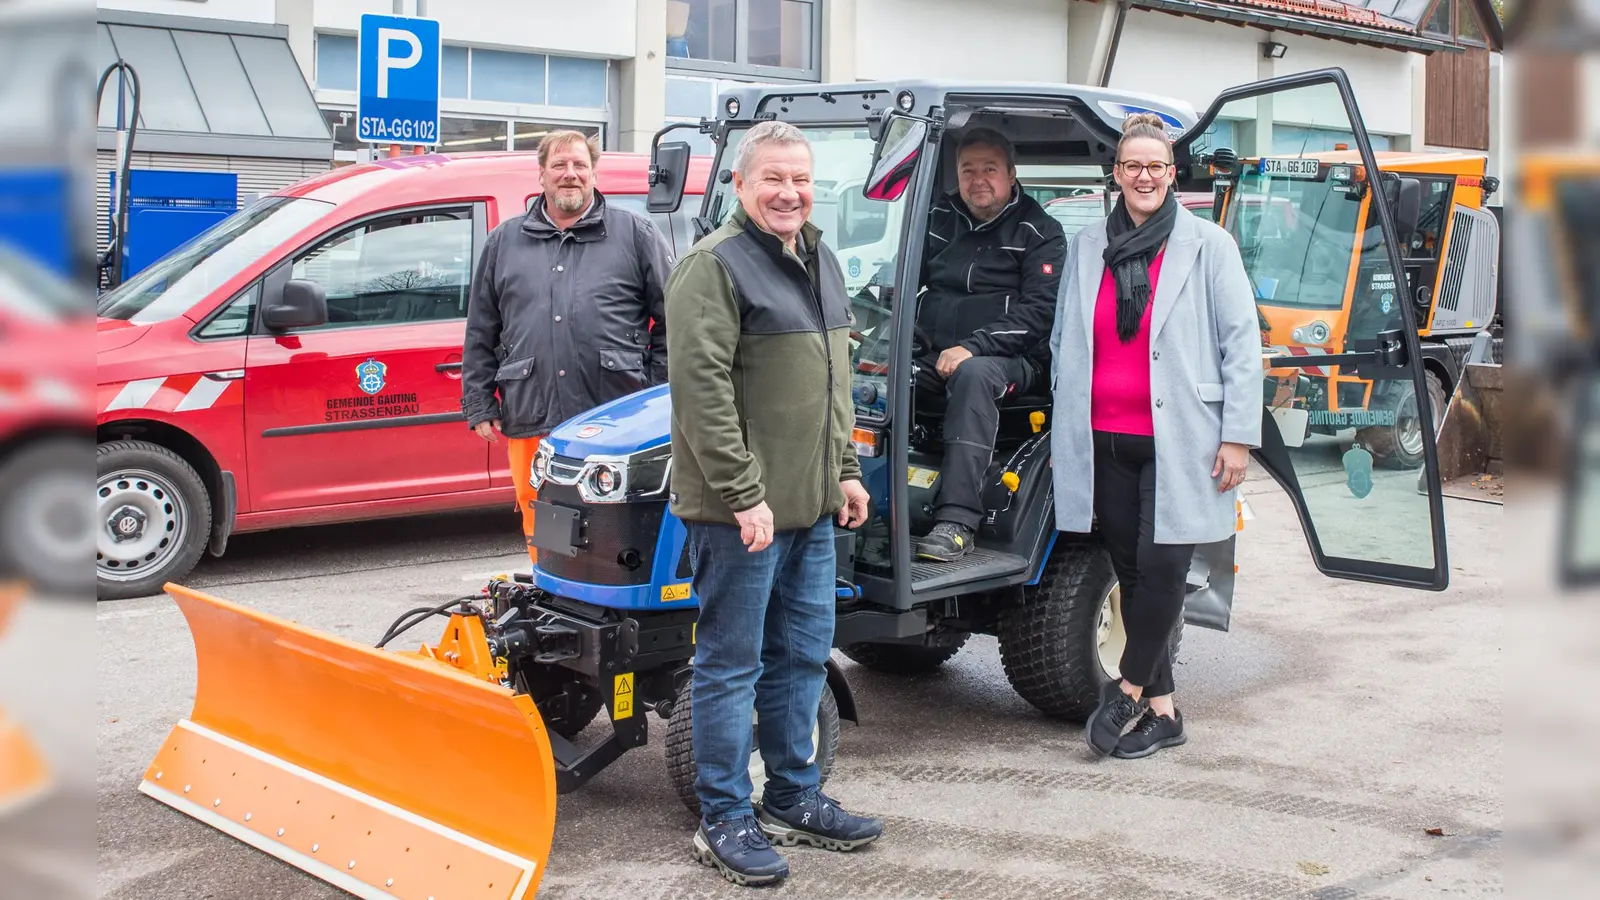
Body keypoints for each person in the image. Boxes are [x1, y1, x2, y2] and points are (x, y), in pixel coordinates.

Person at [665, 119, 881, 887]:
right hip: (741, 517)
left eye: (800, 180)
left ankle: (794, 793)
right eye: (773, 180)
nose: (789, 193)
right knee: (730, 663)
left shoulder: (817, 256)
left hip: (813, 505)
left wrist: (846, 471)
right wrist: (743, 495)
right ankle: (724, 815)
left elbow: (833, 379)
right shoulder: (711, 267)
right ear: (740, 185)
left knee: (800, 655)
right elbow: (701, 396)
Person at [1048, 113, 1262, 759]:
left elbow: (1241, 344)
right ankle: (1165, 714)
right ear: (1116, 175)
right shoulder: (1087, 244)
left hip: (1186, 436)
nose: (1144, 175)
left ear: (1172, 175)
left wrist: (1238, 437)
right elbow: (1065, 334)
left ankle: (1129, 687)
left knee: (1167, 568)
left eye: (1156, 166)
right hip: (1103, 435)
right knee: (1133, 571)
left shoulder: (1207, 245)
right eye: (1131, 165)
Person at [461, 130, 674, 566]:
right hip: (531, 410)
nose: (569, 174)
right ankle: (555, 600)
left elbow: (677, 320)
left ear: (595, 174)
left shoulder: (635, 234)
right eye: (559, 166)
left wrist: (653, 392)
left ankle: (611, 614)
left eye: (579, 165)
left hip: (621, 414)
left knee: (618, 521)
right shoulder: (504, 242)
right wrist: (479, 402)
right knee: (544, 519)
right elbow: (482, 326)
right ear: (541, 175)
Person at [913, 127, 1067, 562]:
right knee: (870, 373)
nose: (978, 179)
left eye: (990, 169)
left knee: (973, 375)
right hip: (938, 355)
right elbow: (902, 281)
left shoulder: (1041, 231)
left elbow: (1041, 312)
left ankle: (958, 521)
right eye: (968, 170)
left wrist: (976, 346)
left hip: (1016, 363)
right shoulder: (938, 219)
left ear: (1012, 174)